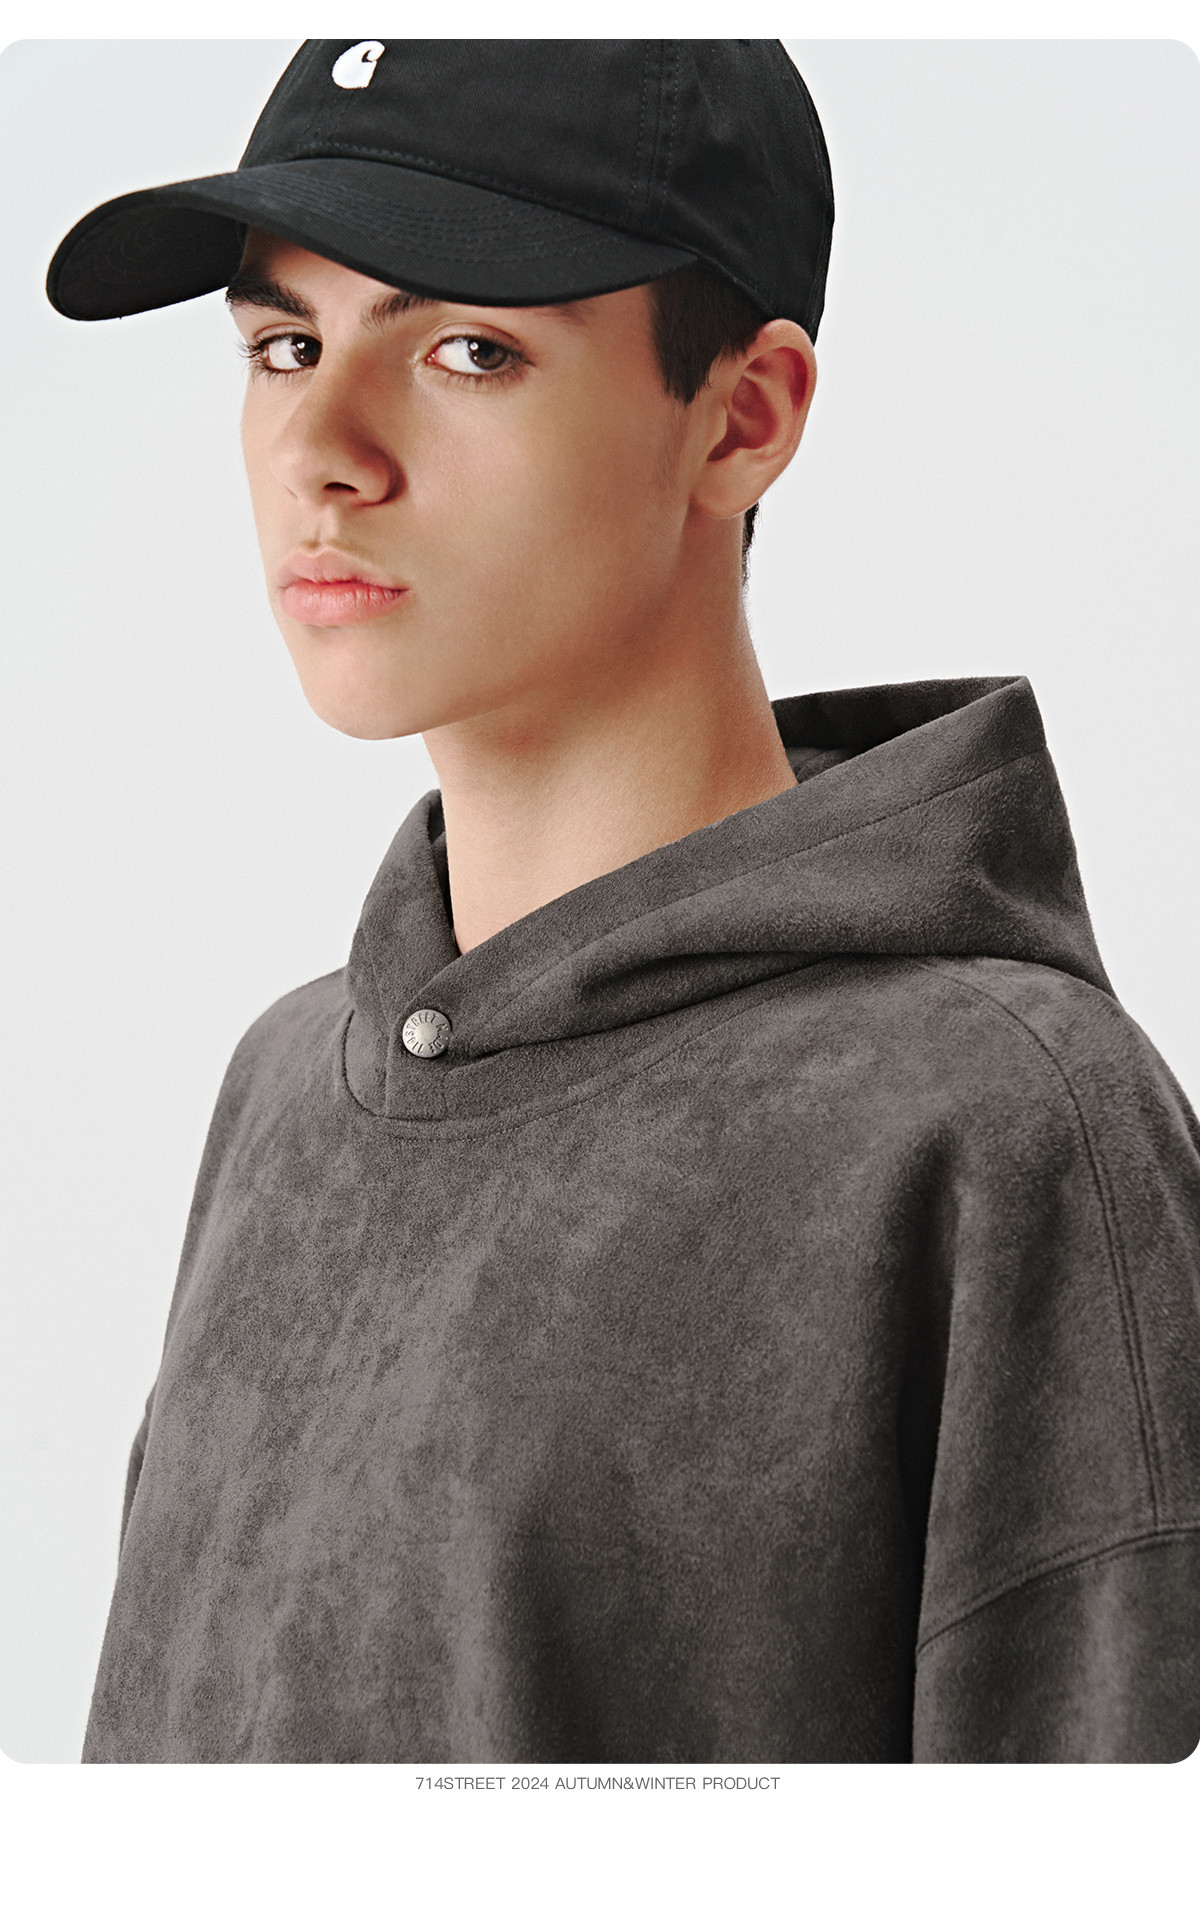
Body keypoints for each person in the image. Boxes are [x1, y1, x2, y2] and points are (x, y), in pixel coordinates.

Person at [48, 38, 1200, 1765]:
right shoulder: (286, 1087)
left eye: (467, 349)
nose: (322, 451)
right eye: (283, 345)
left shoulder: (1006, 1125)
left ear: (744, 417)